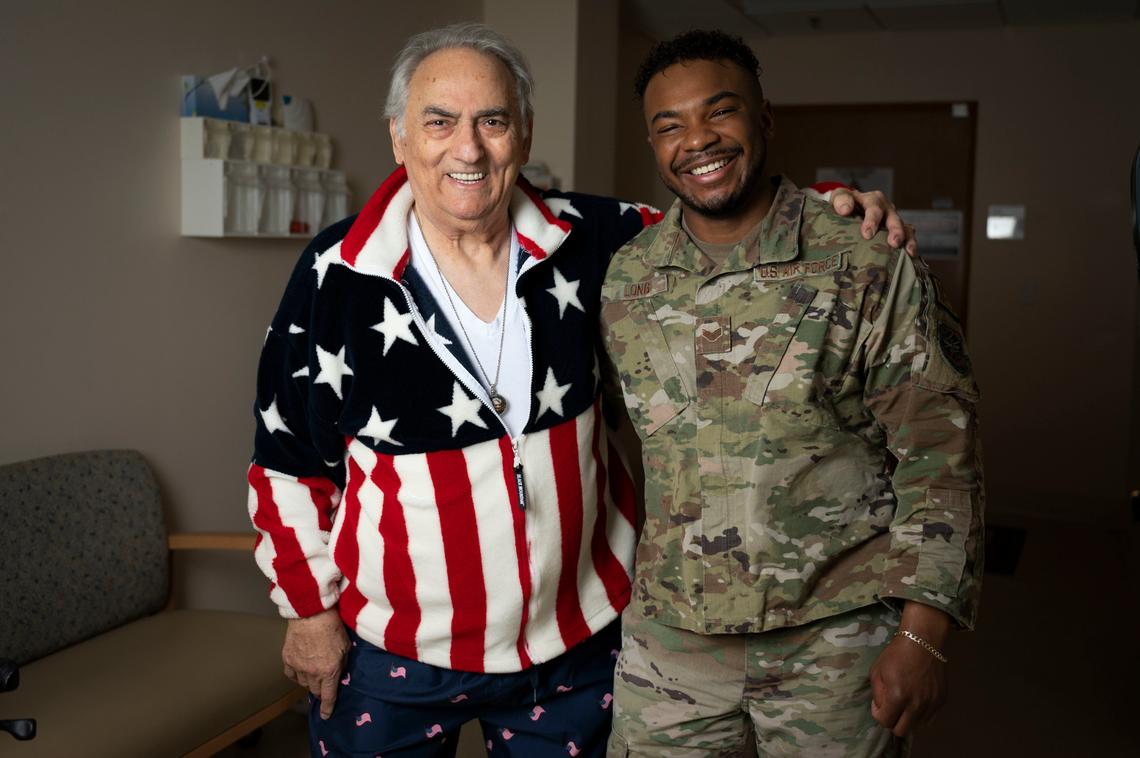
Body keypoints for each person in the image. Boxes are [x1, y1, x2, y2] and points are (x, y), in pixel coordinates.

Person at [247, 23, 911, 757]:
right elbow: (287, 460)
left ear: (523, 135)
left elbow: (724, 218)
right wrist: (308, 612)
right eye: (440, 122)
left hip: (576, 647)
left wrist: (831, 208)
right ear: (400, 137)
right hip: (394, 650)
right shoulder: (334, 272)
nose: (467, 149)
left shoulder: (599, 237)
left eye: (492, 121)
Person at [600, 30, 983, 757]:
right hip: (672, 644)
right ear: (653, 145)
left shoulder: (864, 256)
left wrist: (923, 634)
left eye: (721, 112)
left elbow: (940, 449)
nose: (697, 140)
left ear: (764, 120)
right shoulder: (627, 277)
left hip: (836, 642)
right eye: (669, 125)